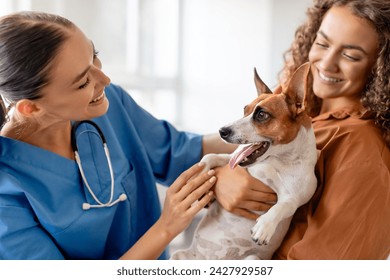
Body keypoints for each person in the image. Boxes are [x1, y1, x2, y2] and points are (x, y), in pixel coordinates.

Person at [0, 11, 246, 260]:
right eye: (83, 82)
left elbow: (181, 152)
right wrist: (167, 226)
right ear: (31, 108)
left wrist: (260, 126)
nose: (104, 79)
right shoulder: (6, 195)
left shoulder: (108, 104)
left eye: (94, 56)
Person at [213, 0, 390, 259]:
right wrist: (222, 179)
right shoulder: (303, 115)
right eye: (322, 43)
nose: (326, 63)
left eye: (351, 55)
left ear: (380, 68)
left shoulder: (360, 147)